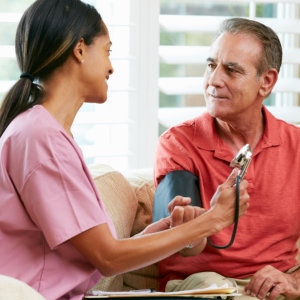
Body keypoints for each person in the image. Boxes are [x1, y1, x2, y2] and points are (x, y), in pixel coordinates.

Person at [0, 1, 250, 300]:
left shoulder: (43, 132)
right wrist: (214, 219)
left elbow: (99, 256)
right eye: (107, 51)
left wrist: (164, 231)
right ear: (80, 50)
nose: (111, 66)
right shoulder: (41, 137)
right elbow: (109, 259)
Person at [153, 17, 300, 300]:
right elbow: (183, 244)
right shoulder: (179, 144)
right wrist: (200, 223)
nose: (213, 80)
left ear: (266, 82)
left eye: (231, 70)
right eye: (211, 65)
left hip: (274, 285)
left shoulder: (296, 146)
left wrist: (294, 280)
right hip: (205, 285)